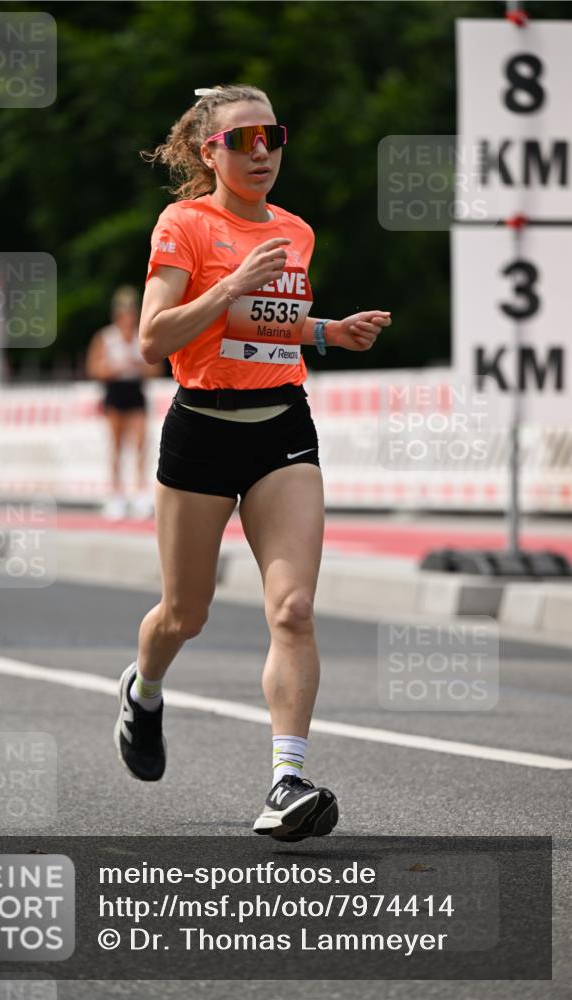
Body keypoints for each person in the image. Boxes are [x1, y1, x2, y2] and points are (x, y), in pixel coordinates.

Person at [114, 84, 391, 840]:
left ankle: (286, 779)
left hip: (281, 431)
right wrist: (230, 282)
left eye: (271, 136)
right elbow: (153, 340)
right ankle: (143, 689)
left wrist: (330, 332)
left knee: (293, 610)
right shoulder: (184, 224)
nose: (261, 150)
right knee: (184, 614)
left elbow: (266, 324)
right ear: (210, 152)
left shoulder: (295, 231)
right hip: (201, 431)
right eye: (242, 140)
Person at [86, 286, 160, 519]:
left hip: (135, 391)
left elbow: (155, 369)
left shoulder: (141, 336)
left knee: (140, 444)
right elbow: (94, 368)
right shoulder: (106, 337)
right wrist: (115, 368)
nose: (128, 317)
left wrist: (137, 367)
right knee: (116, 446)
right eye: (124, 312)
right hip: (115, 392)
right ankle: (116, 495)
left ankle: (140, 493)